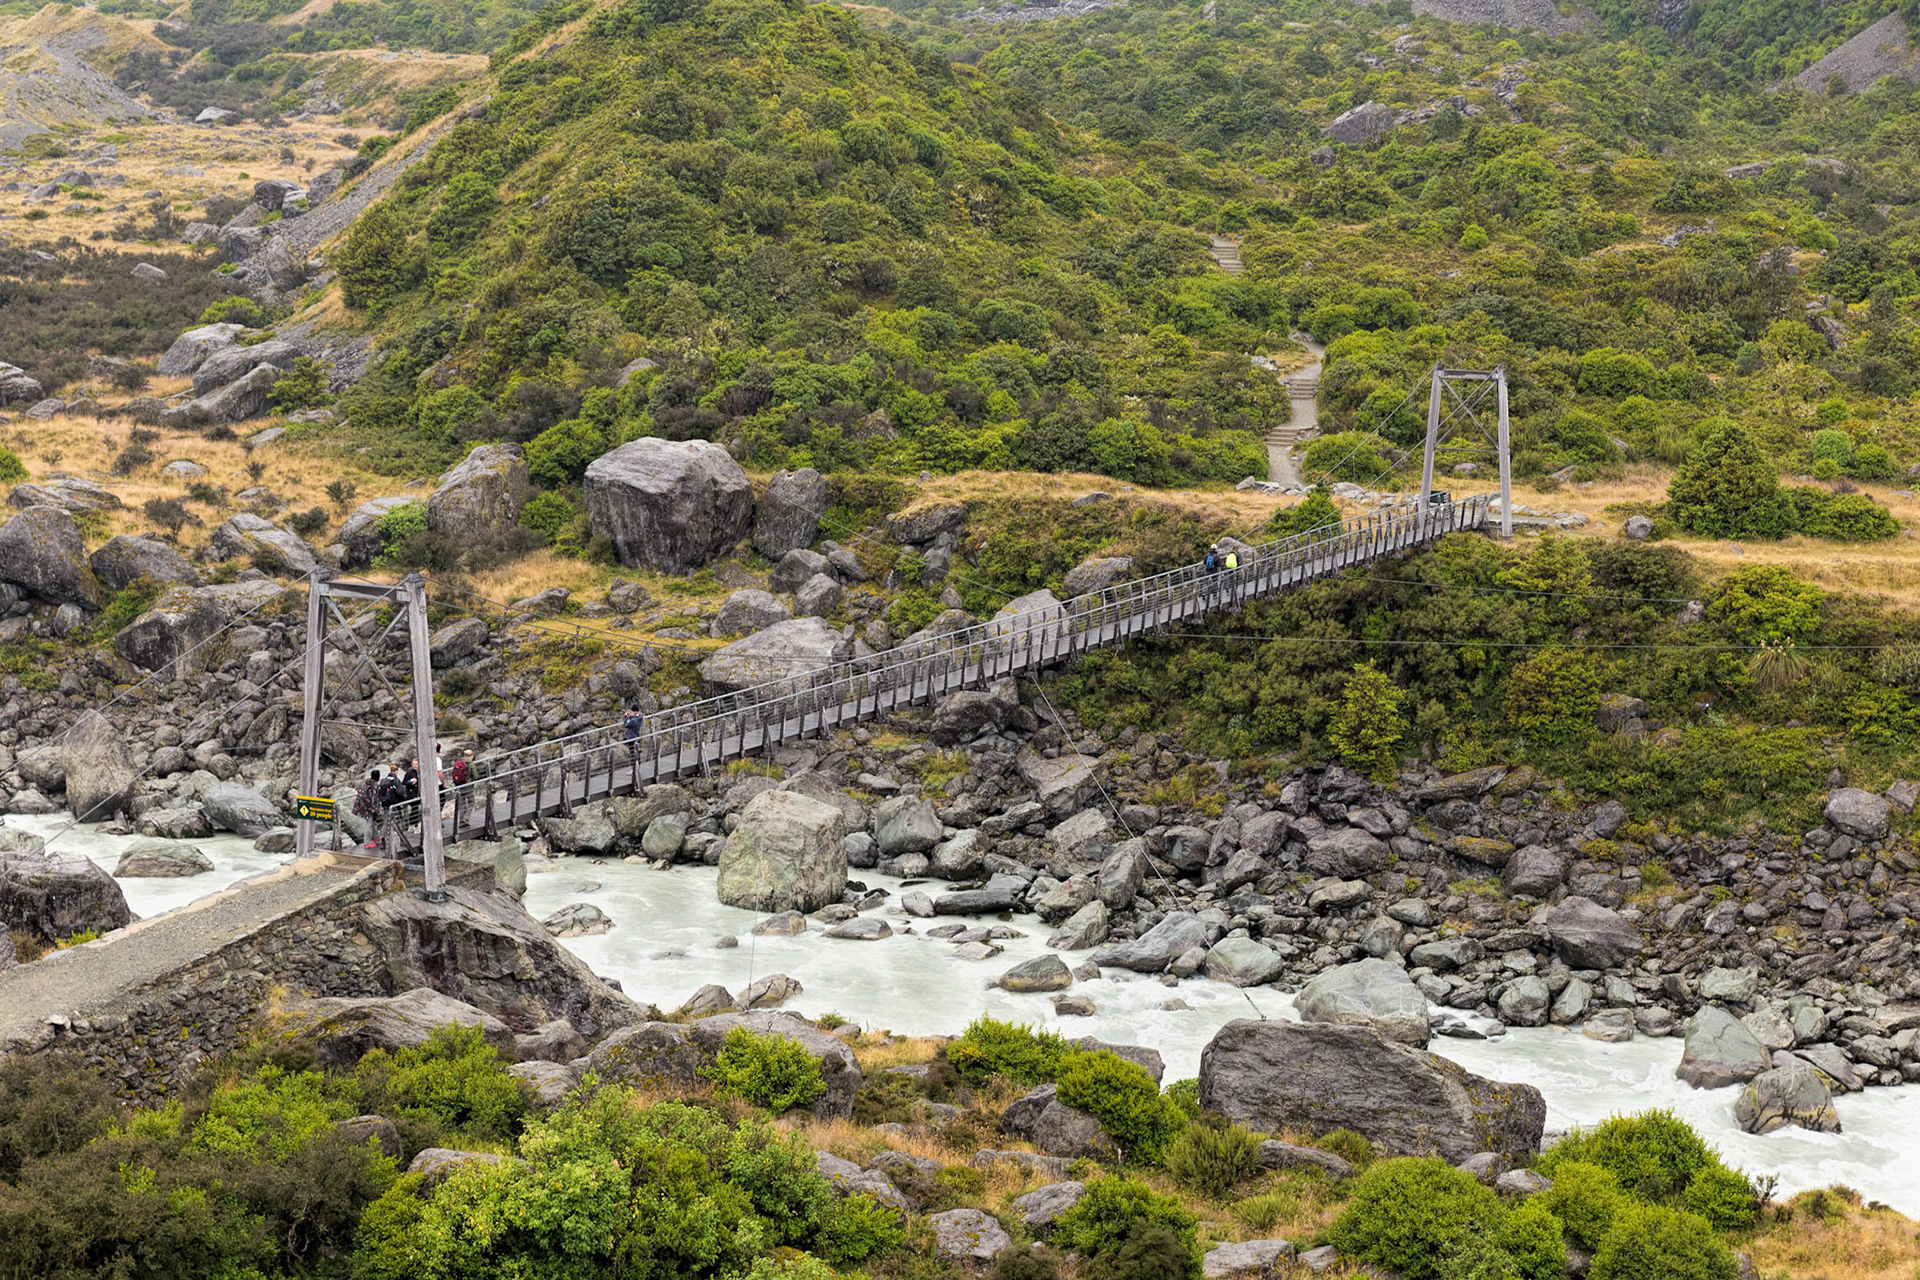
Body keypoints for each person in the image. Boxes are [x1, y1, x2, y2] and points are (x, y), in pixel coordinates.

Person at [353, 768, 383, 850]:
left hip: (362, 806)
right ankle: (367, 842)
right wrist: (375, 809)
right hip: (369, 807)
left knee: (373, 822)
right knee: (369, 824)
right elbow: (374, 798)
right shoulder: (375, 786)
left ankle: (376, 837)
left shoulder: (365, 783)